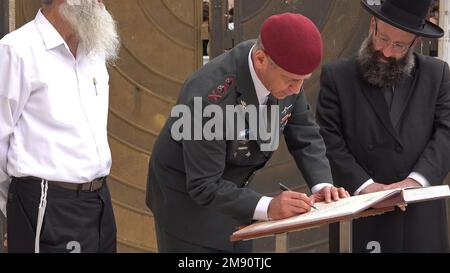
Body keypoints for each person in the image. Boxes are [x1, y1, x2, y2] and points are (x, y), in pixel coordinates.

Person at [146, 12, 349, 253]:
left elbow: (304, 132)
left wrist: (322, 185)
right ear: (261, 59)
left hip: (235, 195)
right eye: (291, 80)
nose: (296, 89)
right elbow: (204, 185)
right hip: (187, 204)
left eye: (303, 81)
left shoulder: (285, 72)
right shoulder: (208, 98)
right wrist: (270, 206)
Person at [317, 0, 450, 253]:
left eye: (399, 45)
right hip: (360, 209)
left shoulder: (437, 74)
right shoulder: (337, 76)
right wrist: (367, 187)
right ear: (372, 25)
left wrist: (415, 183)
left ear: (414, 42)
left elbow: (447, 133)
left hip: (419, 211)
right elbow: (328, 140)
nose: (387, 52)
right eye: (383, 38)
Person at [0, 0, 120, 253]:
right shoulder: (17, 50)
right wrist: (14, 212)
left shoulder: (94, 51)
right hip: (46, 204)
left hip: (99, 201)